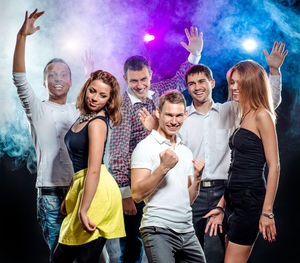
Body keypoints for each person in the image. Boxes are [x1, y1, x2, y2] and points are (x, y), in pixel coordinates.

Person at [139, 41, 287, 263]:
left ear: (212, 83)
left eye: (201, 81)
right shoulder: (181, 118)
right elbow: (168, 150)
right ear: (186, 88)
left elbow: (267, 103)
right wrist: (155, 129)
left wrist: (274, 72)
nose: (197, 87)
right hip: (194, 191)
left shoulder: (232, 109)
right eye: (191, 84)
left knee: (224, 254)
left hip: (224, 191)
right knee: (187, 255)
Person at [108, 26, 203, 263]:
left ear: (151, 74)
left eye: (143, 79)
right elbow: (118, 153)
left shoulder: (159, 91)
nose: (139, 85)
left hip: (165, 184)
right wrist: (126, 195)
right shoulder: (123, 106)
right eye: (133, 81)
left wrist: (194, 56)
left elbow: (181, 80)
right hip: (139, 184)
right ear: (125, 78)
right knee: (132, 248)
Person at [12, 9, 79, 262]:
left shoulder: (79, 110)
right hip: (50, 195)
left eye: (63, 75)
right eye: (51, 75)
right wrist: (22, 37)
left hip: (80, 194)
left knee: (90, 256)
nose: (57, 79)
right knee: (59, 256)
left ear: (71, 82)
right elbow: (18, 78)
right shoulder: (37, 108)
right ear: (44, 82)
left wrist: (92, 70)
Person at [204, 59, 281, 263]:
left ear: (252, 84)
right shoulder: (242, 113)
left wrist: (267, 212)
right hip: (232, 201)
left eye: (240, 82)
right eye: (232, 82)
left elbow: (274, 166)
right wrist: (221, 205)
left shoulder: (262, 115)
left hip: (250, 202)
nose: (234, 87)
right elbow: (234, 167)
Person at [52, 70, 125, 263]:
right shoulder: (85, 117)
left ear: (110, 100)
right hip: (83, 185)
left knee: (77, 258)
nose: (95, 98)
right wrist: (69, 196)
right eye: (92, 91)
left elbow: (93, 169)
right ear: (86, 89)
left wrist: (82, 210)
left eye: (103, 95)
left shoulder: (98, 123)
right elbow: (79, 167)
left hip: (98, 189)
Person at [131, 90, 206, 263]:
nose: (174, 121)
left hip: (187, 231)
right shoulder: (145, 147)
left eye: (179, 115)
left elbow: (188, 199)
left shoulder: (185, 151)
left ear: (185, 114)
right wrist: (163, 167)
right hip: (158, 229)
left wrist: (197, 178)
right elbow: (136, 195)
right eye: (169, 115)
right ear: (158, 113)